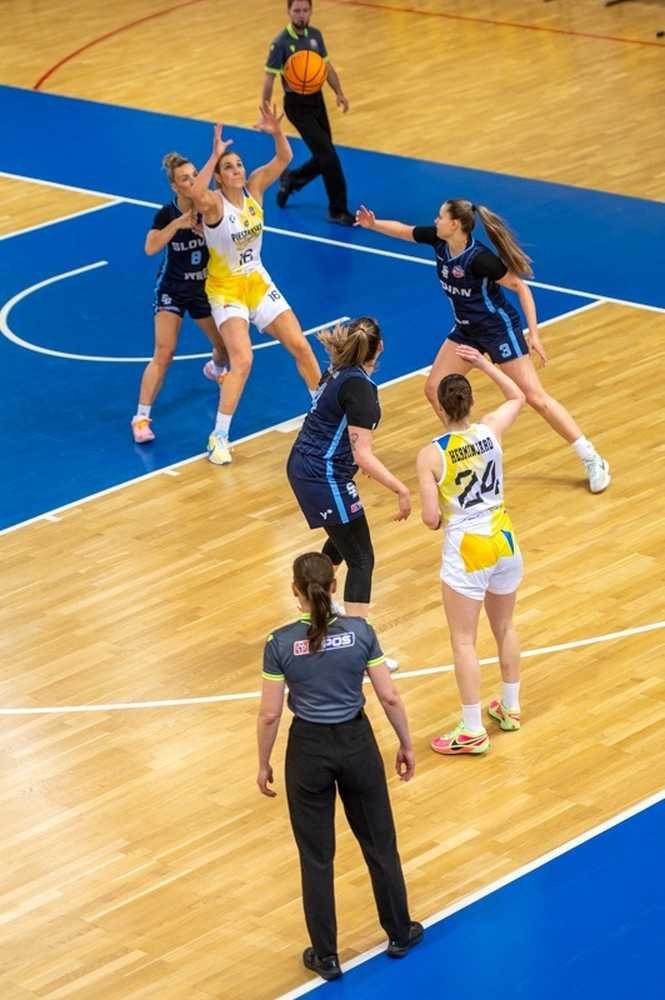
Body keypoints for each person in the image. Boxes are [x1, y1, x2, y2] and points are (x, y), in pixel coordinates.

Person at [355, 199, 611, 494]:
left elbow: (520, 287)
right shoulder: (439, 241)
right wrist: (373, 224)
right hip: (467, 330)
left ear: (455, 224)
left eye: (440, 217)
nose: (435, 221)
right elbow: (404, 231)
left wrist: (534, 334)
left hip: (498, 330)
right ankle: (466, 453)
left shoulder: (480, 259)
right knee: (433, 388)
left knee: (534, 397)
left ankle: (591, 457)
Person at [257, 551, 423, 981]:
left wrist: (263, 762)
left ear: (295, 591)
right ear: (334, 588)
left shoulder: (278, 644)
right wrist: (406, 743)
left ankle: (327, 956)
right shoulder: (360, 632)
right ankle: (399, 932)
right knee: (379, 844)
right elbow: (389, 697)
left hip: (308, 751)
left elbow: (270, 714)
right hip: (356, 745)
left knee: (316, 857)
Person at [186, 109, 322, 465]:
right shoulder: (213, 205)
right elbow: (196, 191)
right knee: (243, 360)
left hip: (257, 280)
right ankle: (218, 437)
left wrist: (277, 132)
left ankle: (323, 410)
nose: (237, 170)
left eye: (239, 164)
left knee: (300, 344)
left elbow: (285, 158)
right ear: (219, 177)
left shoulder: (256, 189)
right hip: (226, 289)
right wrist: (214, 155)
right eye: (229, 167)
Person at [417, 344, 526, 755]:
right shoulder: (489, 430)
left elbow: (431, 518)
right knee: (506, 627)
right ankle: (510, 708)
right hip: (504, 537)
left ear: (440, 406)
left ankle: (472, 728)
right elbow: (517, 395)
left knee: (463, 640)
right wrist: (483, 363)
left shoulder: (431, 455)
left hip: (468, 549)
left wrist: (441, 515)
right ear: (470, 401)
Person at [287, 318, 410, 653]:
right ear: (380, 347)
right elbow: (363, 454)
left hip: (312, 466)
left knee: (345, 537)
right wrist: (401, 489)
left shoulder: (337, 372)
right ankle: (358, 645)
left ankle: (319, 602)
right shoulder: (361, 389)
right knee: (362, 559)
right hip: (321, 474)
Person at [131, 152, 229, 444]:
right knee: (164, 351)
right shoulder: (167, 213)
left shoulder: (212, 207)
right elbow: (150, 248)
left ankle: (215, 369)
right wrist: (178, 225)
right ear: (175, 186)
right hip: (172, 288)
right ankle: (141, 418)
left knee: (224, 347)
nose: (192, 181)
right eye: (185, 179)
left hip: (204, 289)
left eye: (195, 175)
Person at [262, 0, 354, 225]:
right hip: (296, 106)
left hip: (316, 100)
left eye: (305, 10)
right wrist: (265, 110)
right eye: (297, 10)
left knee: (325, 153)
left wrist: (339, 93)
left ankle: (292, 180)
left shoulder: (315, 36)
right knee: (329, 157)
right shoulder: (280, 43)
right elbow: (269, 79)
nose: (301, 15)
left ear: (311, 11)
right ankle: (337, 210)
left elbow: (326, 68)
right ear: (288, 12)